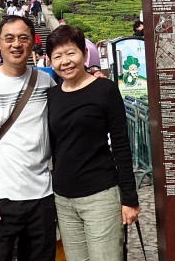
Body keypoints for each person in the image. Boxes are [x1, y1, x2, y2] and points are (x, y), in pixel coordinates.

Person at [0, 15, 57, 260]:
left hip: (41, 197)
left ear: (32, 43)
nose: (17, 44)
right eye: (10, 38)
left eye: (23, 38)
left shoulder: (46, 82)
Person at [46, 25, 140, 261]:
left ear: (84, 55)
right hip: (64, 199)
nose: (65, 61)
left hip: (100, 196)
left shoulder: (105, 90)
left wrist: (129, 199)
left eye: (71, 53)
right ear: (50, 60)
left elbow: (121, 144)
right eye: (57, 56)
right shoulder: (53, 95)